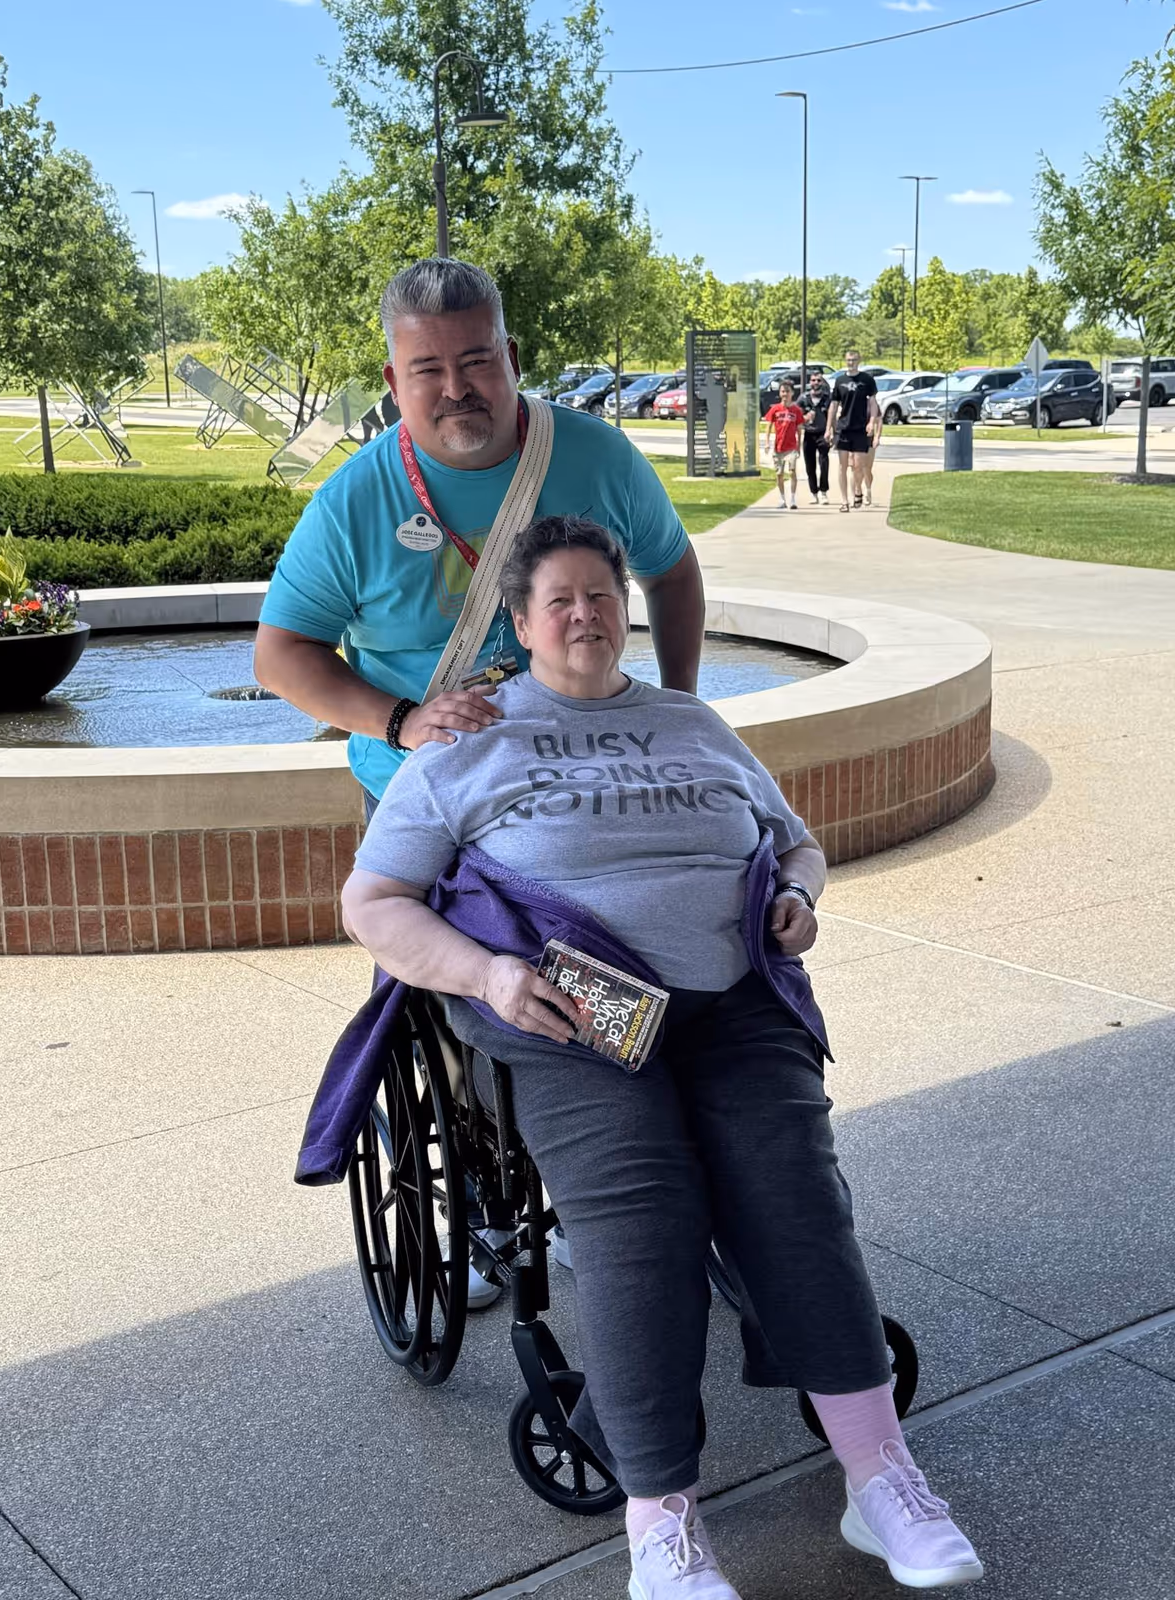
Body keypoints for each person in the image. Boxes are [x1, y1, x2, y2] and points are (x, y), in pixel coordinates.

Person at [337, 515, 985, 1599]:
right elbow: (374, 901)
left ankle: (883, 1480)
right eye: (560, 600)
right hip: (574, 1016)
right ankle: (662, 1527)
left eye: (602, 593)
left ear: (623, 606)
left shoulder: (693, 722)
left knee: (796, 1198)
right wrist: (488, 976)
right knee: (642, 1222)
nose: (585, 614)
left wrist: (797, 895)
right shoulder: (470, 745)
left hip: (733, 1001)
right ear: (521, 620)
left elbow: (795, 840)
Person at [255, 258, 705, 1308]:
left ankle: (640, 1139)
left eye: (475, 361)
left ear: (510, 356)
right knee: (466, 979)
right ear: (393, 377)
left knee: (653, 924)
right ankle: (513, 1161)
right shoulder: (358, 497)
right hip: (431, 789)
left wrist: (679, 709)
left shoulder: (591, 456)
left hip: (581, 766)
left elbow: (672, 568)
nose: (457, 388)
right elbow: (284, 656)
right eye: (428, 369)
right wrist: (400, 721)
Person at [825, 349, 879, 512]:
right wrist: (829, 428)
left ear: (859, 360)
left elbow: (873, 403)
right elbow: (833, 406)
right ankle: (844, 501)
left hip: (860, 428)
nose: (851, 363)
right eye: (849, 360)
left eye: (854, 360)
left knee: (858, 465)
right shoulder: (840, 381)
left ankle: (857, 490)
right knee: (842, 466)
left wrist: (871, 422)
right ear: (845, 361)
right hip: (844, 428)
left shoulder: (867, 380)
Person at [762, 379, 804, 509]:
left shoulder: (796, 410)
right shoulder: (775, 409)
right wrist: (767, 443)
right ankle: (782, 499)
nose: (785, 394)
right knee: (779, 473)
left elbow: (799, 429)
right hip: (778, 447)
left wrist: (799, 446)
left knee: (791, 471)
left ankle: (792, 499)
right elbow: (768, 426)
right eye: (782, 391)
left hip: (791, 446)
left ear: (792, 393)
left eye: (787, 391)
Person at [797, 370, 832, 504]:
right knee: (810, 465)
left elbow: (831, 416)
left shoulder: (827, 398)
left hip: (823, 433)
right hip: (809, 434)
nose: (816, 383)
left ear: (822, 382)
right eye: (813, 380)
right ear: (809, 382)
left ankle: (824, 492)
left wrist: (832, 432)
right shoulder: (803, 398)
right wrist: (806, 418)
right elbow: (797, 418)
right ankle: (814, 493)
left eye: (818, 380)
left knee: (824, 463)